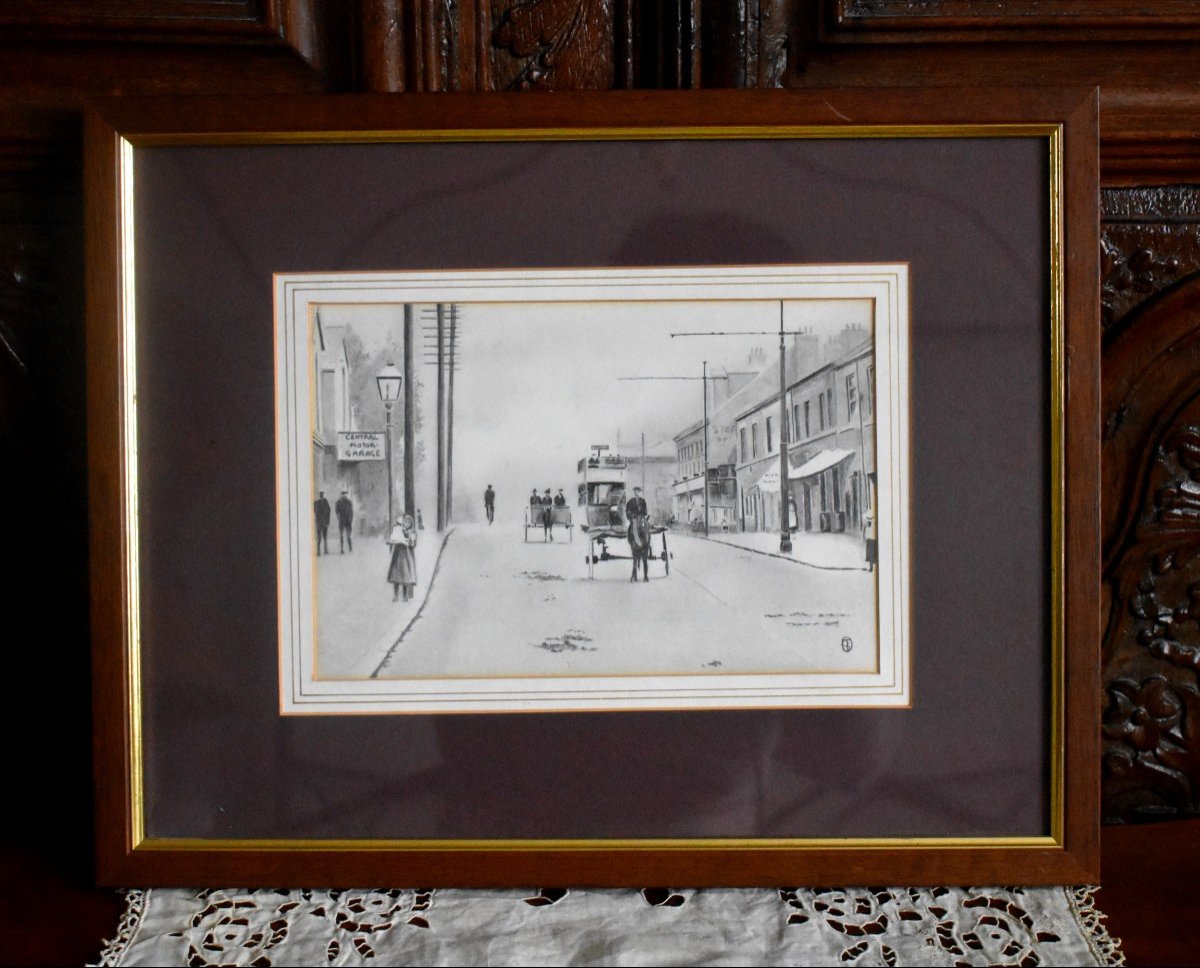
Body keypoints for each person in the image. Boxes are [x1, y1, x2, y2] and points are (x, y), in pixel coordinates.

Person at [387, 514, 418, 602]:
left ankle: (405, 596)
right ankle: (396, 595)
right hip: (397, 556)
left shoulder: (412, 532)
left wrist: (409, 539)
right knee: (396, 576)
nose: (406, 523)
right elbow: (393, 538)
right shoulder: (399, 530)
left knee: (405, 577)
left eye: (409, 522)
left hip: (406, 557)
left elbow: (413, 544)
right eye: (405, 522)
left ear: (411, 524)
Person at [335, 488, 354, 553]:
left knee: (348, 535)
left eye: (345, 493)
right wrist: (339, 518)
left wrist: (350, 520)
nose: (344, 495)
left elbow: (351, 512)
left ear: (346, 494)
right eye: (343, 493)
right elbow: (337, 512)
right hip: (342, 521)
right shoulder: (338, 502)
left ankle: (350, 547)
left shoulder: (349, 502)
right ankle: (342, 549)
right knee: (341, 535)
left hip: (348, 521)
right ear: (341, 494)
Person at [314, 490, 331, 556]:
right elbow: (328, 512)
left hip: (321, 523)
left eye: (322, 494)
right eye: (322, 495)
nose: (322, 496)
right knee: (322, 537)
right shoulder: (322, 502)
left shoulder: (319, 502)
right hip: (321, 522)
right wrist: (327, 522)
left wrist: (327, 522)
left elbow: (328, 512)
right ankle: (322, 551)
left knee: (322, 537)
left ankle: (321, 551)